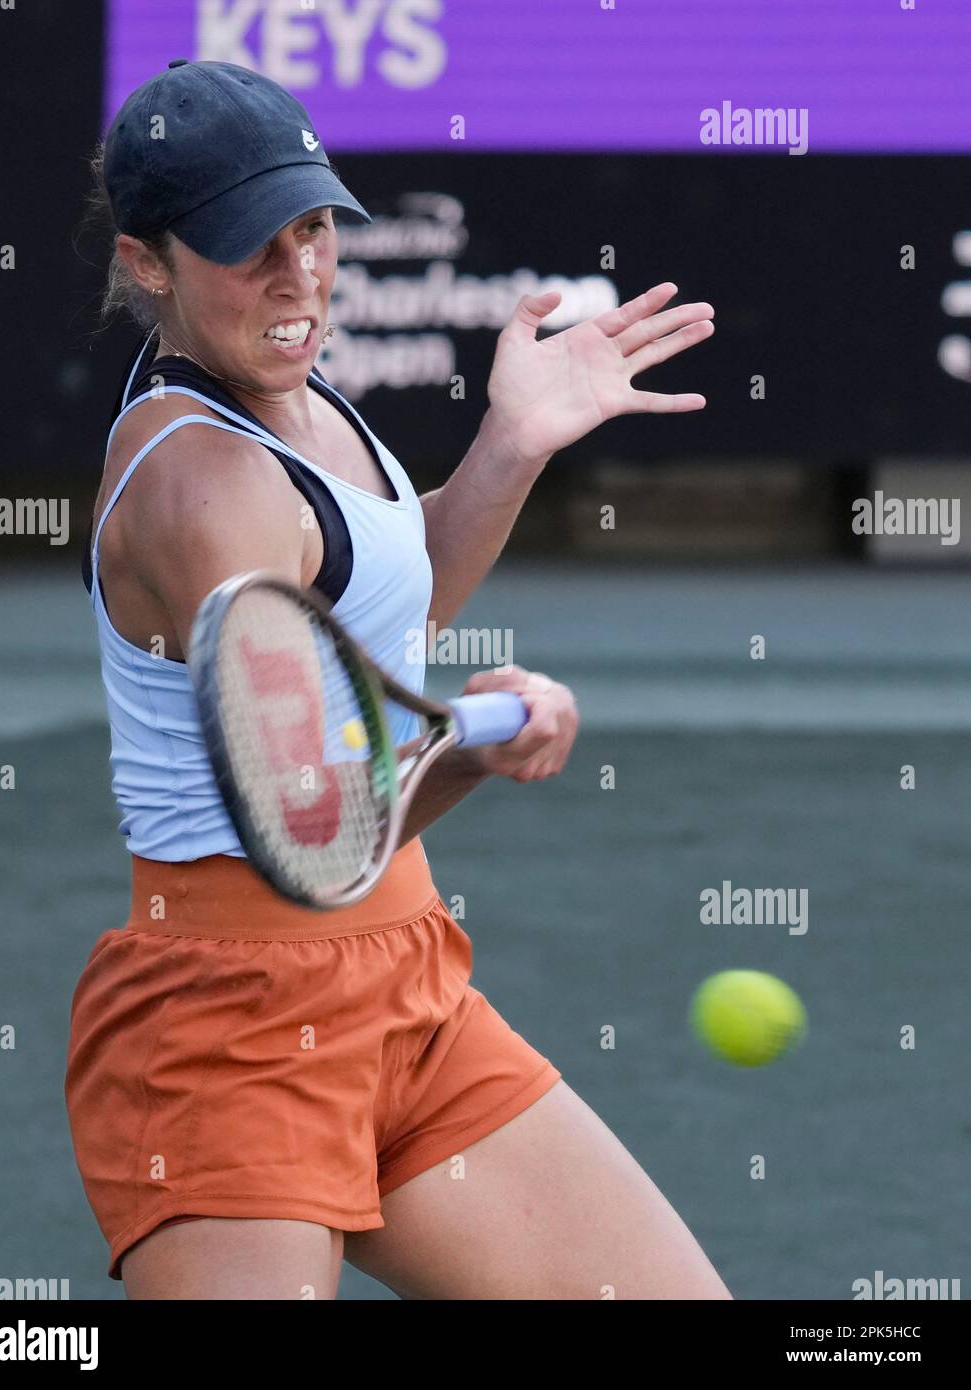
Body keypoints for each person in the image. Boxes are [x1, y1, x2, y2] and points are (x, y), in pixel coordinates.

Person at [65, 59, 726, 1300]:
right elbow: (313, 827)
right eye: (246, 244)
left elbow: (387, 609)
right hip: (227, 1034)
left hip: (406, 987)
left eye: (312, 226)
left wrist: (512, 443)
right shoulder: (199, 489)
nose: (298, 274)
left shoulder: (296, 393)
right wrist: (474, 748)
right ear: (149, 263)